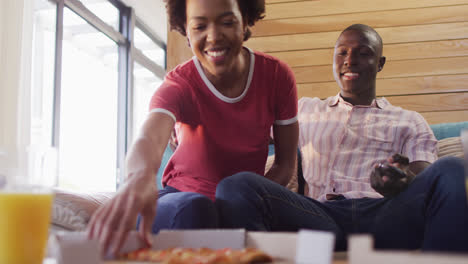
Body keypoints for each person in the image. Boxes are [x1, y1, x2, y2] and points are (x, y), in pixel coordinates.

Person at [215, 24, 468, 253]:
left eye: (363, 53)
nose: (350, 60)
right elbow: (245, 132)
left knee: (453, 168)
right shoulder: (304, 110)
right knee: (237, 186)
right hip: (318, 217)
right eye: (342, 53)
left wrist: (399, 180)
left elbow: (425, 178)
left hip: (386, 215)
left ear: (380, 63)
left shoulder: (409, 120)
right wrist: (187, 131)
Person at [87, 0, 299, 256]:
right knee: (196, 209)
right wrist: (139, 177)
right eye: (199, 26)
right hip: (180, 201)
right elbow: (149, 136)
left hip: (240, 202)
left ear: (245, 22)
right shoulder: (180, 84)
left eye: (227, 22)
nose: (213, 36)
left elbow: (285, 165)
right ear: (186, 32)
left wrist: (245, 204)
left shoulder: (276, 76)